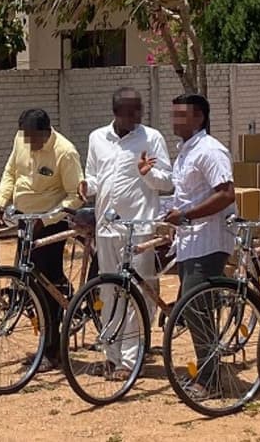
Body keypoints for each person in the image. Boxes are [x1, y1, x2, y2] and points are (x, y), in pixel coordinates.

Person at [82, 88, 173, 380]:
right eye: (131, 111)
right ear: (116, 112)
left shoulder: (151, 138)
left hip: (139, 229)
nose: (137, 115)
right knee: (109, 291)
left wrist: (148, 173)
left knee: (136, 293)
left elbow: (167, 182)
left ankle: (131, 360)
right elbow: (93, 176)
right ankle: (112, 355)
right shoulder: (97, 138)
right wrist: (86, 187)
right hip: (106, 229)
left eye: (139, 109)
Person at [0, 108, 84, 371]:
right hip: (24, 221)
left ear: (46, 132)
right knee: (30, 281)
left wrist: (47, 219)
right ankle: (63, 314)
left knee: (46, 286)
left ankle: (52, 350)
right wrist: (0, 202)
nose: (29, 142)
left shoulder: (65, 152)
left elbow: (76, 196)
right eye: (25, 136)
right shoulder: (21, 139)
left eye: (33, 137)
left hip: (49, 225)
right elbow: (11, 172)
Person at [163, 93, 236, 400]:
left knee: (196, 309)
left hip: (209, 240)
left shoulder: (210, 150)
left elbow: (226, 194)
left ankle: (210, 380)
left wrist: (187, 216)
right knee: (194, 309)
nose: (175, 121)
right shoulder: (185, 152)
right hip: (189, 241)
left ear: (199, 118)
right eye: (174, 114)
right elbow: (186, 196)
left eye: (181, 115)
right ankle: (208, 372)